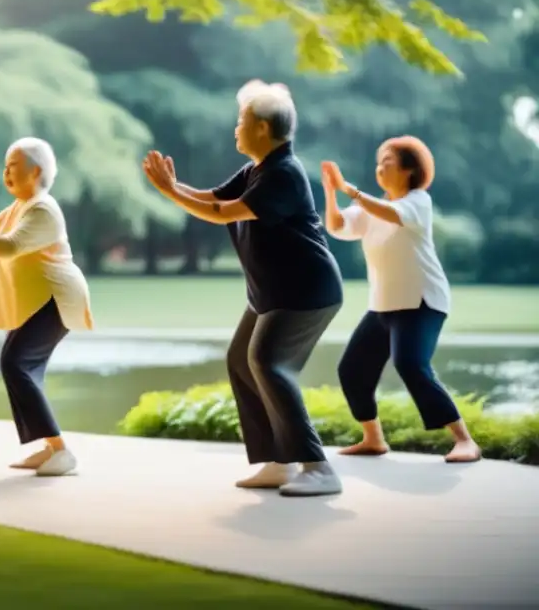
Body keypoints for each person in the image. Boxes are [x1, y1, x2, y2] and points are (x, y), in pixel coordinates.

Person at [143, 80, 344, 497]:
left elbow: (221, 213)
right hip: (273, 292)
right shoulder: (259, 168)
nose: (235, 128)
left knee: (268, 362)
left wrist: (168, 191)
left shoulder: (283, 173)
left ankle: (319, 467)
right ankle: (278, 461)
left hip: (305, 291)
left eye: (242, 121)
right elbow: (213, 197)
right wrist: (174, 187)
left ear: (264, 129)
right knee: (241, 358)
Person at [322, 137, 481, 463]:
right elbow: (338, 225)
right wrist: (330, 191)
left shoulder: (417, 202)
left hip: (422, 301)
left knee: (410, 363)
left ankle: (465, 441)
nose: (380, 168)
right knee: (352, 369)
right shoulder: (370, 208)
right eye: (378, 162)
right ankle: (373, 439)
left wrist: (350, 191)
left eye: (389, 162)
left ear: (410, 170)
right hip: (383, 304)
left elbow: (393, 214)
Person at [0, 137, 92, 477]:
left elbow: (7, 247)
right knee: (21, 365)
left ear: (36, 170)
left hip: (56, 298)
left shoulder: (42, 208)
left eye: (12, 166)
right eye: (5, 167)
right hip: (37, 301)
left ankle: (60, 451)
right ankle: (49, 446)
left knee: (16, 363)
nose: (6, 173)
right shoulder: (19, 207)